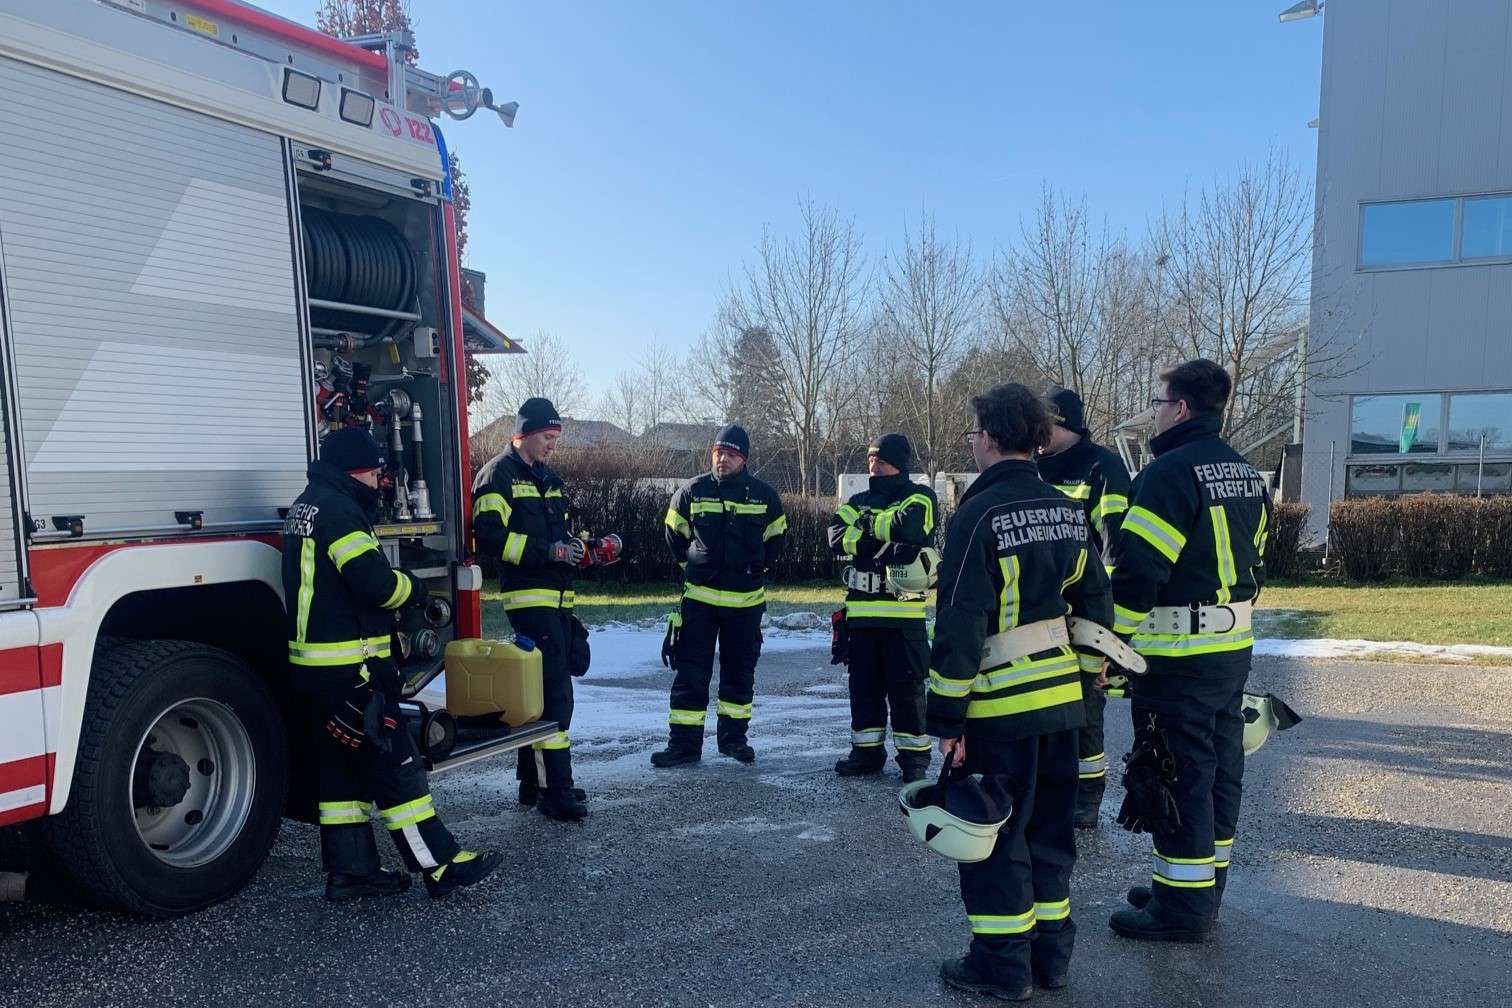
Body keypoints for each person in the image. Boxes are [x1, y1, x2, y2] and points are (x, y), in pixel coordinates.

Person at [927, 384, 1114, 1000]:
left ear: (987, 437)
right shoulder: (1065, 509)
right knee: (1051, 838)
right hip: (1062, 706)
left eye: (973, 432)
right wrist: (1089, 676)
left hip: (999, 710)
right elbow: (1095, 601)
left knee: (998, 841)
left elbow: (961, 622)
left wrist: (947, 719)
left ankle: (1002, 966)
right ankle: (1051, 960)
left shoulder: (977, 515)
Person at [284, 426, 499, 900]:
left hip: (318, 671)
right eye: (374, 471)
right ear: (354, 470)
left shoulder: (308, 505)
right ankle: (439, 865)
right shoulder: (341, 512)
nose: (379, 480)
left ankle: (352, 873)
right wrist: (414, 588)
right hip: (353, 669)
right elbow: (375, 585)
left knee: (342, 775)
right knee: (397, 766)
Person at [1107, 359, 1272, 943]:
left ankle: (1181, 909)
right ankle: (1201, 888)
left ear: (1179, 408)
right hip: (1231, 647)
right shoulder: (1246, 472)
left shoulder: (1168, 473)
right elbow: (1258, 558)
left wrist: (1111, 645)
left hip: (1178, 653)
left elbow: (1138, 573)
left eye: (1158, 403)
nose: (1154, 413)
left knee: (1177, 772)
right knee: (1220, 767)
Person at [472, 397, 603, 822]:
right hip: (529, 599)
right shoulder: (497, 475)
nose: (552, 445)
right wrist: (546, 551)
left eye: (555, 438)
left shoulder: (549, 478)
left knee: (541, 693)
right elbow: (489, 537)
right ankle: (555, 791)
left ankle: (534, 783)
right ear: (525, 433)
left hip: (556, 599)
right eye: (547, 437)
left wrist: (581, 549)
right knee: (555, 697)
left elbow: (558, 535)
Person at [653, 424, 787, 767]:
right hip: (699, 602)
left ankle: (734, 741)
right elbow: (674, 535)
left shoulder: (764, 496)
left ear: (743, 459)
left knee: (739, 675)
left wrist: (754, 568)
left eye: (729, 454)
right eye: (717, 453)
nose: (722, 459)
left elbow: (777, 540)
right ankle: (683, 746)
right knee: (690, 674)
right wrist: (695, 567)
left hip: (745, 604)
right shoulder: (692, 492)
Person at [1035, 387, 1132, 830]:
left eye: (1044, 427)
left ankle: (1087, 796)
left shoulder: (1102, 468)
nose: (1037, 436)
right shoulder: (1033, 467)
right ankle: (1047, 788)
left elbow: (1115, 551)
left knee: (1085, 707)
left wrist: (1108, 633)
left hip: (1085, 613)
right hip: (1039, 612)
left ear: (1066, 424)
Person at [826, 433, 938, 782]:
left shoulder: (920, 496)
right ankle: (866, 752)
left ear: (899, 463)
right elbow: (835, 536)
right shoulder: (857, 500)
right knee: (863, 690)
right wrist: (887, 541)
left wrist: (865, 529)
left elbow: (911, 528)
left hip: (903, 616)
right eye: (871, 459)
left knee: (908, 692)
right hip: (861, 616)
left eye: (882, 459)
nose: (874, 465)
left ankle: (914, 760)